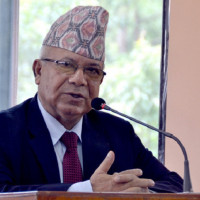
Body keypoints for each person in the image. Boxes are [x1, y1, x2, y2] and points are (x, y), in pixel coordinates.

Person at [0, 6, 183, 193]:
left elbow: (174, 184)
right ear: (38, 71)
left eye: (92, 71)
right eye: (66, 65)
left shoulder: (118, 133)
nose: (79, 80)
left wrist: (139, 193)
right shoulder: (5, 130)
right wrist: (87, 190)